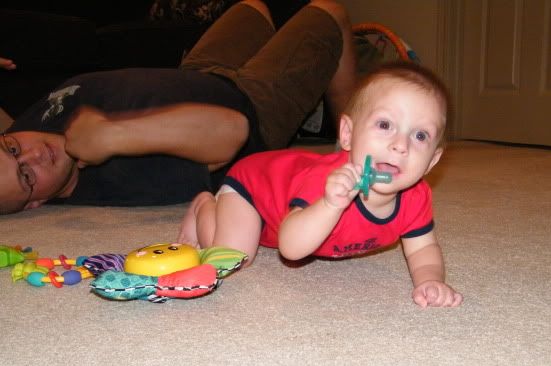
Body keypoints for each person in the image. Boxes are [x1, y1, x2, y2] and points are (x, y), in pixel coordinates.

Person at [0, 0, 356, 215]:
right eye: (26, 176)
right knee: (330, 14)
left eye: (12, 148)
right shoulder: (113, 181)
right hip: (254, 104)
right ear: (35, 204)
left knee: (252, 8)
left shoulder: (24, 133)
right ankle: (353, 150)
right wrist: (114, 134)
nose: (34, 155)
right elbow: (234, 130)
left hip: (199, 72)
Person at [177, 62, 463, 308]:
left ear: (432, 161)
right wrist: (329, 205)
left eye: (420, 136)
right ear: (348, 134)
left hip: (280, 209)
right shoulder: (328, 182)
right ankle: (205, 204)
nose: (400, 145)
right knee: (234, 257)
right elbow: (291, 249)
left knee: (252, 240)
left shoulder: (416, 197)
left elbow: (423, 248)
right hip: (253, 187)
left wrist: (430, 280)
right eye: (385, 125)